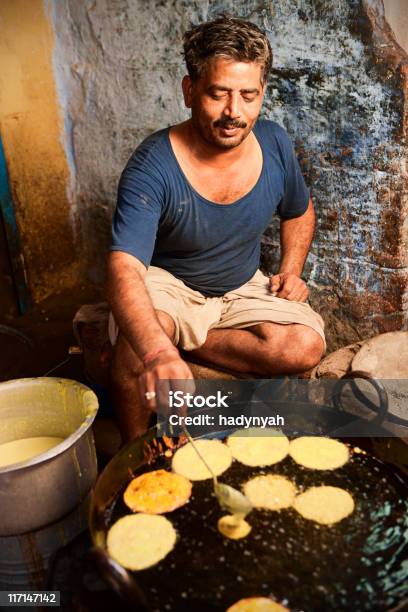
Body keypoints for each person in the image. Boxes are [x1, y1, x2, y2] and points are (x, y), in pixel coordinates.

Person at [107, 15, 325, 441]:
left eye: (248, 96)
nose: (234, 113)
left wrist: (292, 270)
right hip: (172, 285)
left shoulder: (274, 142)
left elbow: (300, 211)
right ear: (190, 91)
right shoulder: (153, 164)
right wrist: (155, 349)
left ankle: (187, 340)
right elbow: (124, 268)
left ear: (262, 94)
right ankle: (134, 456)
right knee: (136, 349)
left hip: (240, 285)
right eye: (218, 94)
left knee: (305, 347)